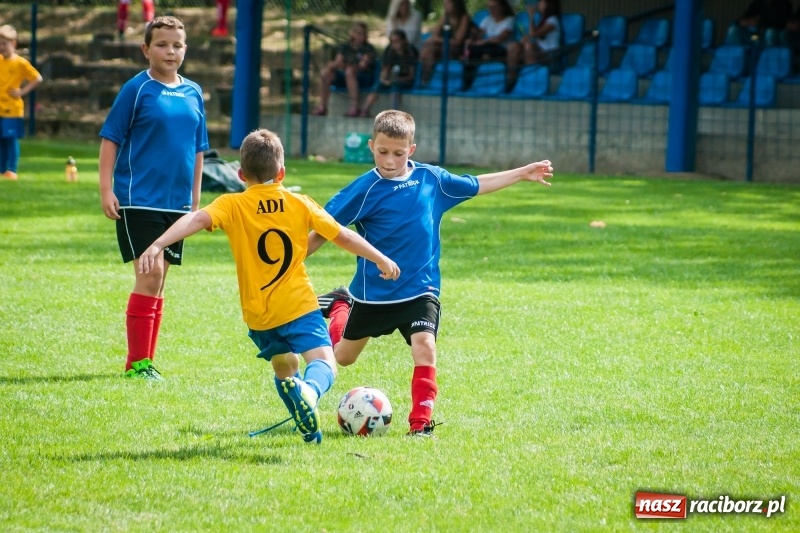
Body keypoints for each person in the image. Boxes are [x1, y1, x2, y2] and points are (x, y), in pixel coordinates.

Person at [138, 129, 401, 444]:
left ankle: (306, 425)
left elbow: (194, 220)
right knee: (323, 362)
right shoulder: (299, 202)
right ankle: (311, 392)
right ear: (282, 172)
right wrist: (380, 259)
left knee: (285, 367)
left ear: (240, 174)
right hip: (297, 305)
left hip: (259, 315)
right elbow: (342, 234)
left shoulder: (232, 203)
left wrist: (158, 245)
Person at [308, 110, 553, 438]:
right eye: (382, 152)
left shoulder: (432, 180)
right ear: (371, 146)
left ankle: (420, 425)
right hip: (374, 293)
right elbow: (325, 228)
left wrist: (523, 173)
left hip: (421, 290)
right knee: (343, 358)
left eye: (398, 153)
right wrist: (290, 262)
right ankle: (341, 306)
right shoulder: (363, 189)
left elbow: (477, 184)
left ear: (411, 149)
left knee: (425, 346)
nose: (390, 160)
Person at [98, 16, 209, 381]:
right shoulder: (137, 88)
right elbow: (111, 138)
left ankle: (147, 360)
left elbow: (197, 150)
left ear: (186, 49)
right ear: (146, 49)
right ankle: (137, 365)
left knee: (159, 281)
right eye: (162, 44)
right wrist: (105, 188)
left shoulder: (194, 92)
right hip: (139, 198)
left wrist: (195, 203)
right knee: (150, 274)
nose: (170, 51)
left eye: (177, 45)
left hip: (177, 205)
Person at [0, 24, 42, 181]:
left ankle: (12, 170)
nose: (1, 47)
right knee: (1, 140)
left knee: (10, 139)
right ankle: (2, 170)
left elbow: (37, 78)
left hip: (13, 109)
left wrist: (21, 92)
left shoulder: (20, 63)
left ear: (14, 43)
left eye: (4, 43)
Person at [312, 21, 378, 117]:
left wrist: (347, 65)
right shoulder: (345, 47)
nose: (360, 35)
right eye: (357, 32)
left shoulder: (368, 48)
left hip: (362, 77)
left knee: (350, 71)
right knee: (326, 71)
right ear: (352, 33)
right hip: (344, 75)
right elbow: (338, 62)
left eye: (362, 33)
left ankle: (354, 107)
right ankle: (322, 106)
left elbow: (362, 65)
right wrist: (335, 65)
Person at [360, 29, 419, 118]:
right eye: (392, 41)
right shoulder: (389, 50)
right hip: (391, 78)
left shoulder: (410, 51)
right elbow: (385, 69)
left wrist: (397, 80)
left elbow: (411, 75)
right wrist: (384, 79)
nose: (394, 44)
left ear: (403, 40)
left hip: (405, 79)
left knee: (395, 87)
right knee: (378, 85)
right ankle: (365, 110)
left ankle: (392, 114)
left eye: (397, 41)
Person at [505, 0, 562, 91]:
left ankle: (530, 79)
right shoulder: (542, 20)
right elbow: (532, 35)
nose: (539, 5)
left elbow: (533, 34)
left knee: (529, 46)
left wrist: (531, 17)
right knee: (514, 46)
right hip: (538, 52)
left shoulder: (553, 21)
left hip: (549, 55)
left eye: (541, 2)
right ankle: (511, 79)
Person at [462, 0, 516, 89]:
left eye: (494, 7)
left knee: (485, 49)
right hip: (486, 47)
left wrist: (484, 42)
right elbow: (480, 32)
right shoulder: (488, 19)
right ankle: (468, 81)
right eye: (489, 8)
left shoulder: (509, 20)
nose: (491, 10)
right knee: (471, 50)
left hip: (501, 50)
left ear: (502, 7)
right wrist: (473, 36)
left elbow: (500, 39)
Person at [418, 0, 473, 84]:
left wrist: (439, 40)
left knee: (433, 48)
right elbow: (434, 35)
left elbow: (458, 41)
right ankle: (424, 77)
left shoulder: (464, 17)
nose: (445, 6)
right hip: (443, 47)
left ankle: (426, 77)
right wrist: (434, 40)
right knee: (428, 48)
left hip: (458, 49)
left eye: (448, 3)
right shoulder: (445, 18)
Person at [725, 0, 794, 46]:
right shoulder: (757, 3)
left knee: (770, 33)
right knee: (733, 29)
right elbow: (744, 17)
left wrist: (760, 23)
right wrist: (743, 22)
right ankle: (735, 61)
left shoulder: (784, 5)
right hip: (753, 37)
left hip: (763, 37)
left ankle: (766, 63)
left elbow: (784, 24)